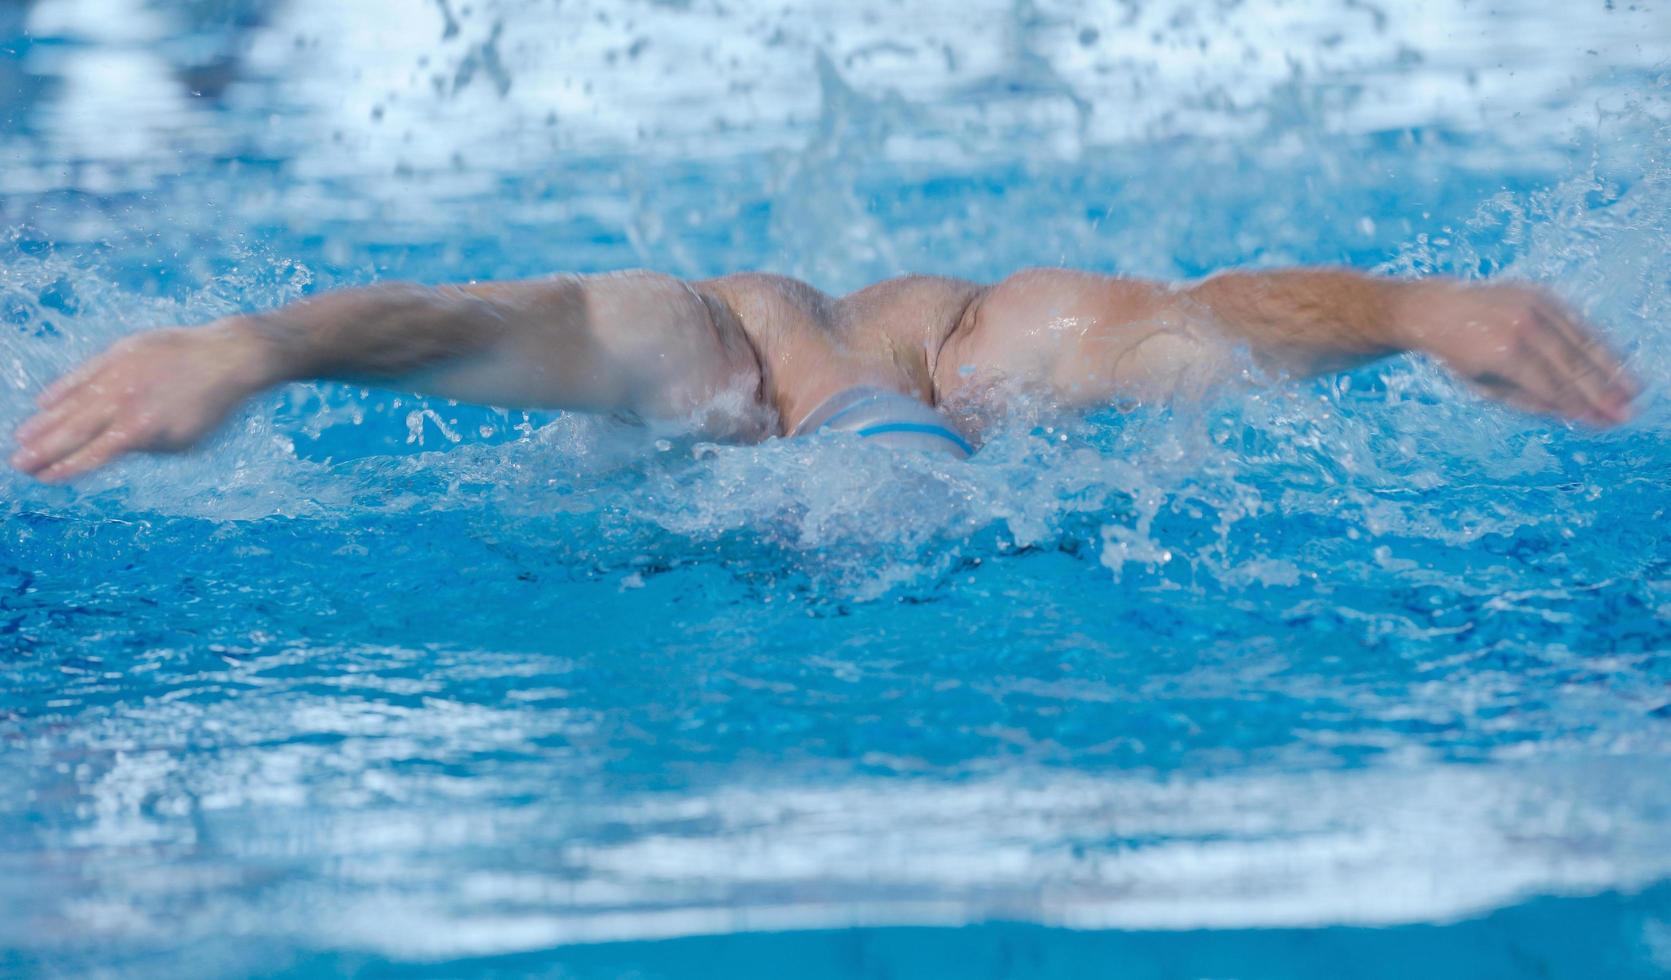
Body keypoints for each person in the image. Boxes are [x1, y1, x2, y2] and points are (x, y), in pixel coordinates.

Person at [9, 266, 1638, 480]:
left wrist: (1417, 310)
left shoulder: (1011, 349)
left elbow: (1209, 322)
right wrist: (247, 348)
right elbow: (480, 327)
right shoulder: (697, 350)